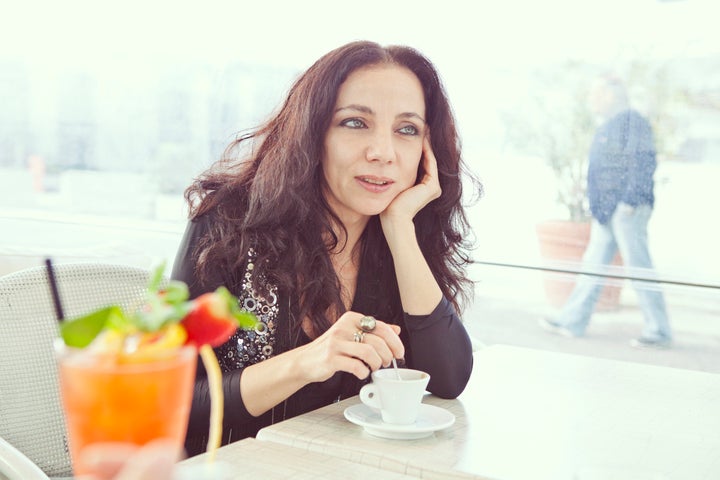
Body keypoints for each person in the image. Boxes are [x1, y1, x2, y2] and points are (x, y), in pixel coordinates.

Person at [172, 40, 480, 456]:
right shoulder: (229, 225)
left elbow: (447, 380)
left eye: (407, 130)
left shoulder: (398, 238)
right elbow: (171, 401)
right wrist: (305, 362)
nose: (382, 153)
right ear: (313, 132)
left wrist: (399, 229)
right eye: (355, 123)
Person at [540, 74, 672, 349]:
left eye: (595, 94)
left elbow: (643, 161)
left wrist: (630, 202)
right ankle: (572, 320)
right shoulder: (610, 125)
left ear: (610, 95)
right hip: (608, 212)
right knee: (593, 266)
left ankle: (659, 330)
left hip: (626, 210)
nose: (592, 100)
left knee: (639, 267)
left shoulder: (632, 122)